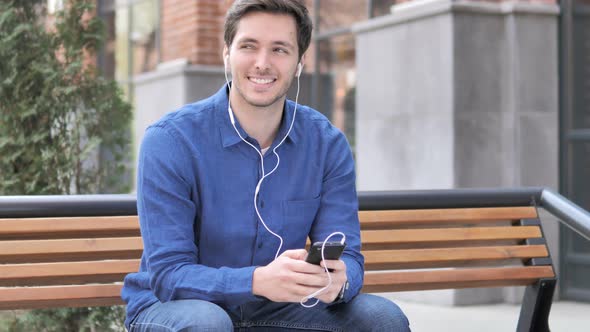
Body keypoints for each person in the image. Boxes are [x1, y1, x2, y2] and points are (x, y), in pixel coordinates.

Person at [122, 0, 410, 331]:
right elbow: (169, 275)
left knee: (383, 319)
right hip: (172, 307)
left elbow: (349, 257)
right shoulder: (171, 140)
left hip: (280, 306)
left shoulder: (326, 143)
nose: (262, 63)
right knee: (207, 323)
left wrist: (339, 281)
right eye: (249, 46)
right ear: (226, 52)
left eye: (279, 49)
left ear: (300, 62)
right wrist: (256, 280)